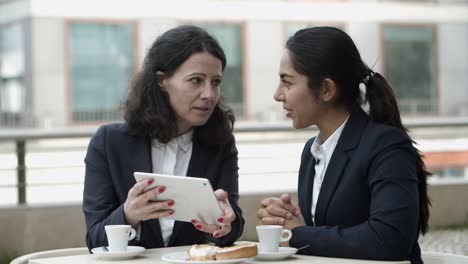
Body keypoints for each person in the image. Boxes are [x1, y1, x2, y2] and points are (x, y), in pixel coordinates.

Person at [256, 27, 430, 264]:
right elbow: (325, 232)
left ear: (326, 89)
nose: (277, 95)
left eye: (287, 82)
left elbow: (389, 239)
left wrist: (298, 234)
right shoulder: (312, 151)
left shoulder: (386, 146)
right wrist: (288, 219)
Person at [83, 25, 244, 250]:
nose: (209, 94)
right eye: (196, 80)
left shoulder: (221, 144)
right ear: (162, 81)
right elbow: (94, 239)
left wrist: (226, 224)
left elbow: (232, 228)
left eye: (215, 82)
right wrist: (128, 215)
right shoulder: (109, 143)